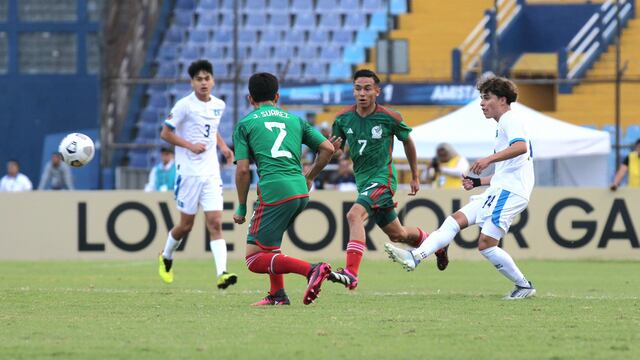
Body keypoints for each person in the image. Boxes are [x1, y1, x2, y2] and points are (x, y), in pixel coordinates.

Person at [385, 76, 537, 300]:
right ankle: (415, 257)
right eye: (481, 99)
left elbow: (521, 148)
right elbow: (507, 171)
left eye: (487, 98)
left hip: (510, 193)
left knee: (486, 245)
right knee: (454, 220)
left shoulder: (509, 120)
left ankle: (524, 286)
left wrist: (488, 159)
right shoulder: (503, 124)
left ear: (503, 100)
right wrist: (478, 182)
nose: (482, 104)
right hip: (501, 188)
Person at [326, 69, 447, 291]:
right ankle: (437, 244)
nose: (362, 93)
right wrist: (331, 150)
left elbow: (407, 141)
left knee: (354, 215)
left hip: (383, 180)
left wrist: (415, 175)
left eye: (367, 88)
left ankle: (351, 273)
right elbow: (337, 151)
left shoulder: (390, 117)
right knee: (398, 234)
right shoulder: (343, 119)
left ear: (377, 91)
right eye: (357, 88)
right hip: (363, 182)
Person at [233, 72, 338, 306]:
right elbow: (328, 149)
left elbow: (242, 171)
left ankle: (312, 270)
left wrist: (240, 206)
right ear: (277, 96)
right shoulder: (295, 120)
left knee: (254, 259)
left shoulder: (245, 124)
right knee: (271, 247)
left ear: (250, 99)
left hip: (274, 190)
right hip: (300, 190)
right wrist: (309, 176)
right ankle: (277, 295)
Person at [157, 59, 238, 289]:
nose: (203, 83)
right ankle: (166, 256)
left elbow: (211, 130)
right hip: (189, 173)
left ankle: (222, 273)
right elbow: (165, 133)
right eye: (198, 79)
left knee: (215, 223)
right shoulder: (184, 105)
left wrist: (222, 147)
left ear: (213, 81)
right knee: (186, 225)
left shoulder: (219, 105)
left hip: (211, 172)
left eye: (207, 78)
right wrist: (189, 146)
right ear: (192, 83)